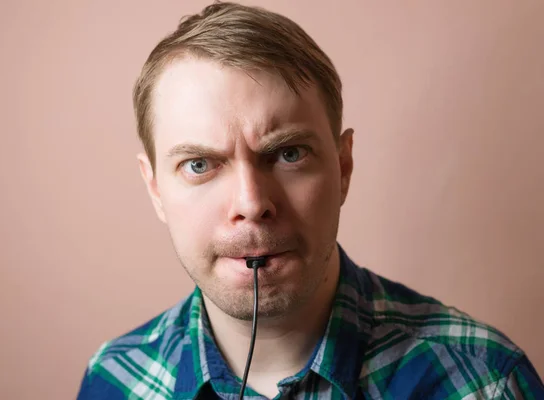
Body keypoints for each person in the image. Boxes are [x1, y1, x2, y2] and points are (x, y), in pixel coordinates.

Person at [76, 2, 544, 399]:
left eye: (288, 153)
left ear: (342, 168)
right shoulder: (113, 380)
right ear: (155, 188)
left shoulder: (484, 382)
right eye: (199, 164)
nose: (251, 203)